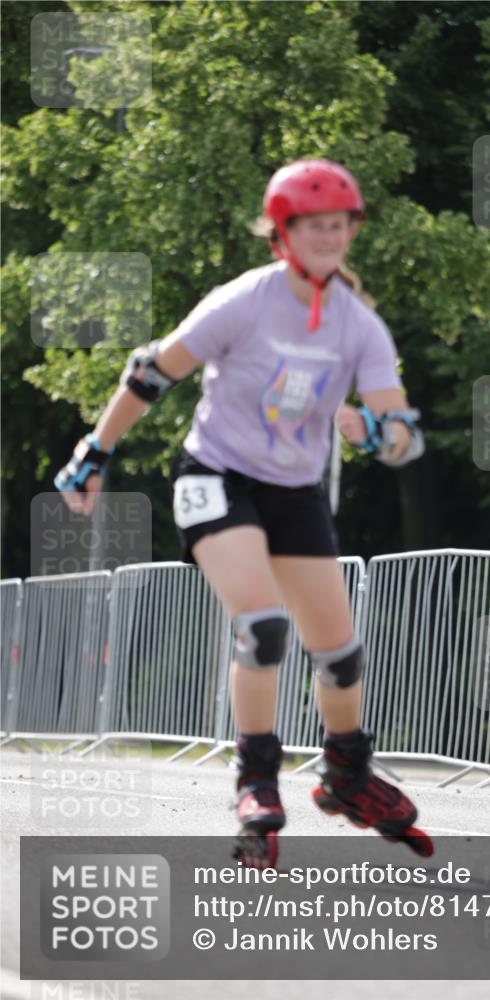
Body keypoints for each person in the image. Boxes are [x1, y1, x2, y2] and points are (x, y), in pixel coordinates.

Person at [55, 158, 432, 867]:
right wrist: (95, 451)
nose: (329, 236)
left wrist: (377, 431)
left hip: (292, 493)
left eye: (339, 224)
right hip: (218, 476)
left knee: (341, 656)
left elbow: (402, 433)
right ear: (282, 233)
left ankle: (346, 774)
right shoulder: (244, 300)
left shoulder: (358, 325)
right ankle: (256, 778)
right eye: (314, 225)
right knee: (262, 628)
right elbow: (151, 370)